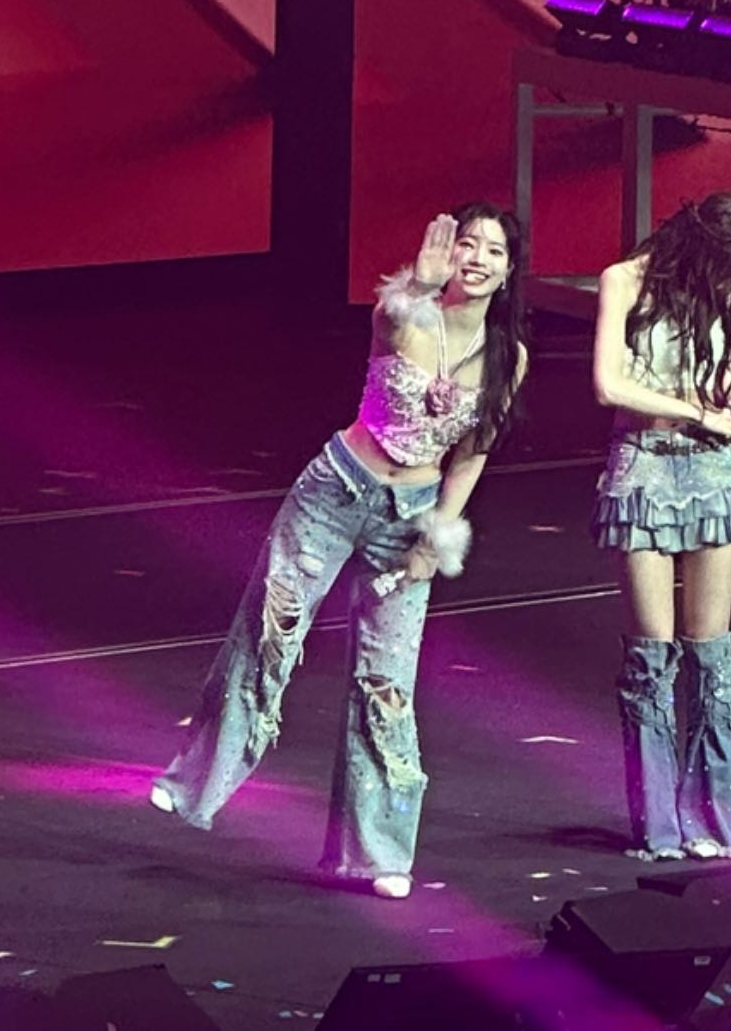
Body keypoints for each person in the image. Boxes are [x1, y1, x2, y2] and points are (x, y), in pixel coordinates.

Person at [151, 206, 527, 899]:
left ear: (508, 271)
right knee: (270, 633)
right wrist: (419, 282)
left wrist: (436, 537)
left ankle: (377, 854)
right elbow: (386, 317)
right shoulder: (408, 317)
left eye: (493, 251)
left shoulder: (509, 357)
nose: (476, 258)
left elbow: (474, 453)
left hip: (409, 517)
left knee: (387, 683)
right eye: (468, 244)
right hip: (336, 490)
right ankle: (193, 784)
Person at [592, 190, 731, 863]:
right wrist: (697, 413)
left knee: (711, 652)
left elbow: (717, 373)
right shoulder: (623, 280)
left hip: (715, 471)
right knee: (651, 654)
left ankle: (710, 821)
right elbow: (610, 384)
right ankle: (658, 824)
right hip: (644, 468)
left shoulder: (713, 288)